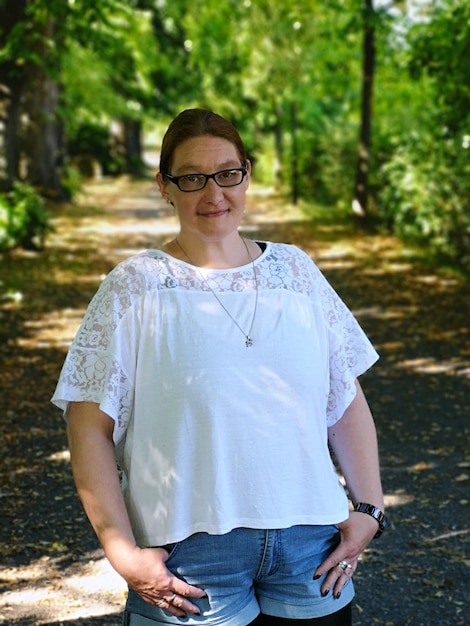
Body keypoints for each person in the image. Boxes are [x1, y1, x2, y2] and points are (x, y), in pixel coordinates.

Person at [52, 108, 386, 626]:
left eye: (228, 173)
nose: (214, 194)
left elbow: (342, 396)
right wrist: (122, 553)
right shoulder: (135, 286)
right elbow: (87, 425)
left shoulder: (296, 272)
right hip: (190, 557)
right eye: (192, 178)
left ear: (247, 173)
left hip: (310, 549)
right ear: (165, 185)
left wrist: (369, 508)